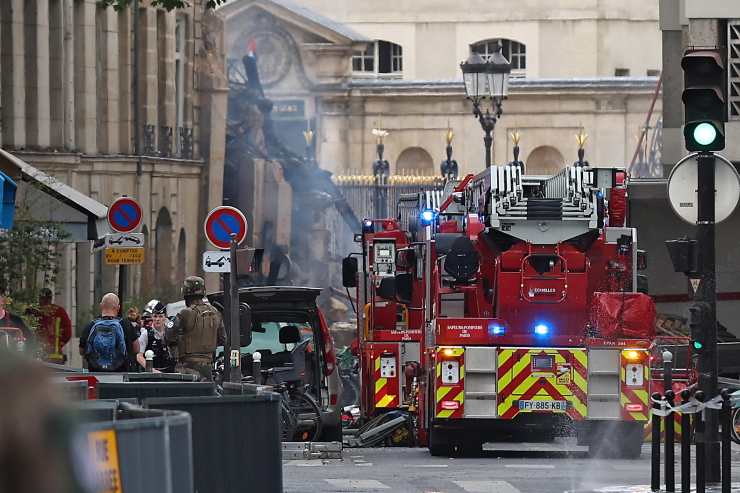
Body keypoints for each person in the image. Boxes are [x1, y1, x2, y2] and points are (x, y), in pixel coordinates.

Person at [167, 276, 224, 381]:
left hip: (187, 368)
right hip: (208, 367)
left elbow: (169, 336)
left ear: (185, 294)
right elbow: (223, 339)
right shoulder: (216, 312)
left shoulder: (185, 313)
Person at [78, 293, 137, 372]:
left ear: (101, 306)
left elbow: (81, 351)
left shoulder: (91, 325)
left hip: (96, 376)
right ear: (118, 307)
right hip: (121, 377)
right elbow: (136, 349)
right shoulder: (126, 325)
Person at [27, 288, 72, 363]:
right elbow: (68, 332)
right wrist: (59, 344)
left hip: (38, 353)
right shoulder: (59, 311)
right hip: (54, 353)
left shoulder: (33, 311)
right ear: (51, 298)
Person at [136, 301, 175, 373]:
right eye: (155, 316)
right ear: (152, 317)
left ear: (165, 317)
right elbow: (139, 356)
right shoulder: (146, 334)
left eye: (160, 316)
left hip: (169, 372)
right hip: (151, 373)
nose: (157, 319)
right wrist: (151, 370)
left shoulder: (170, 332)